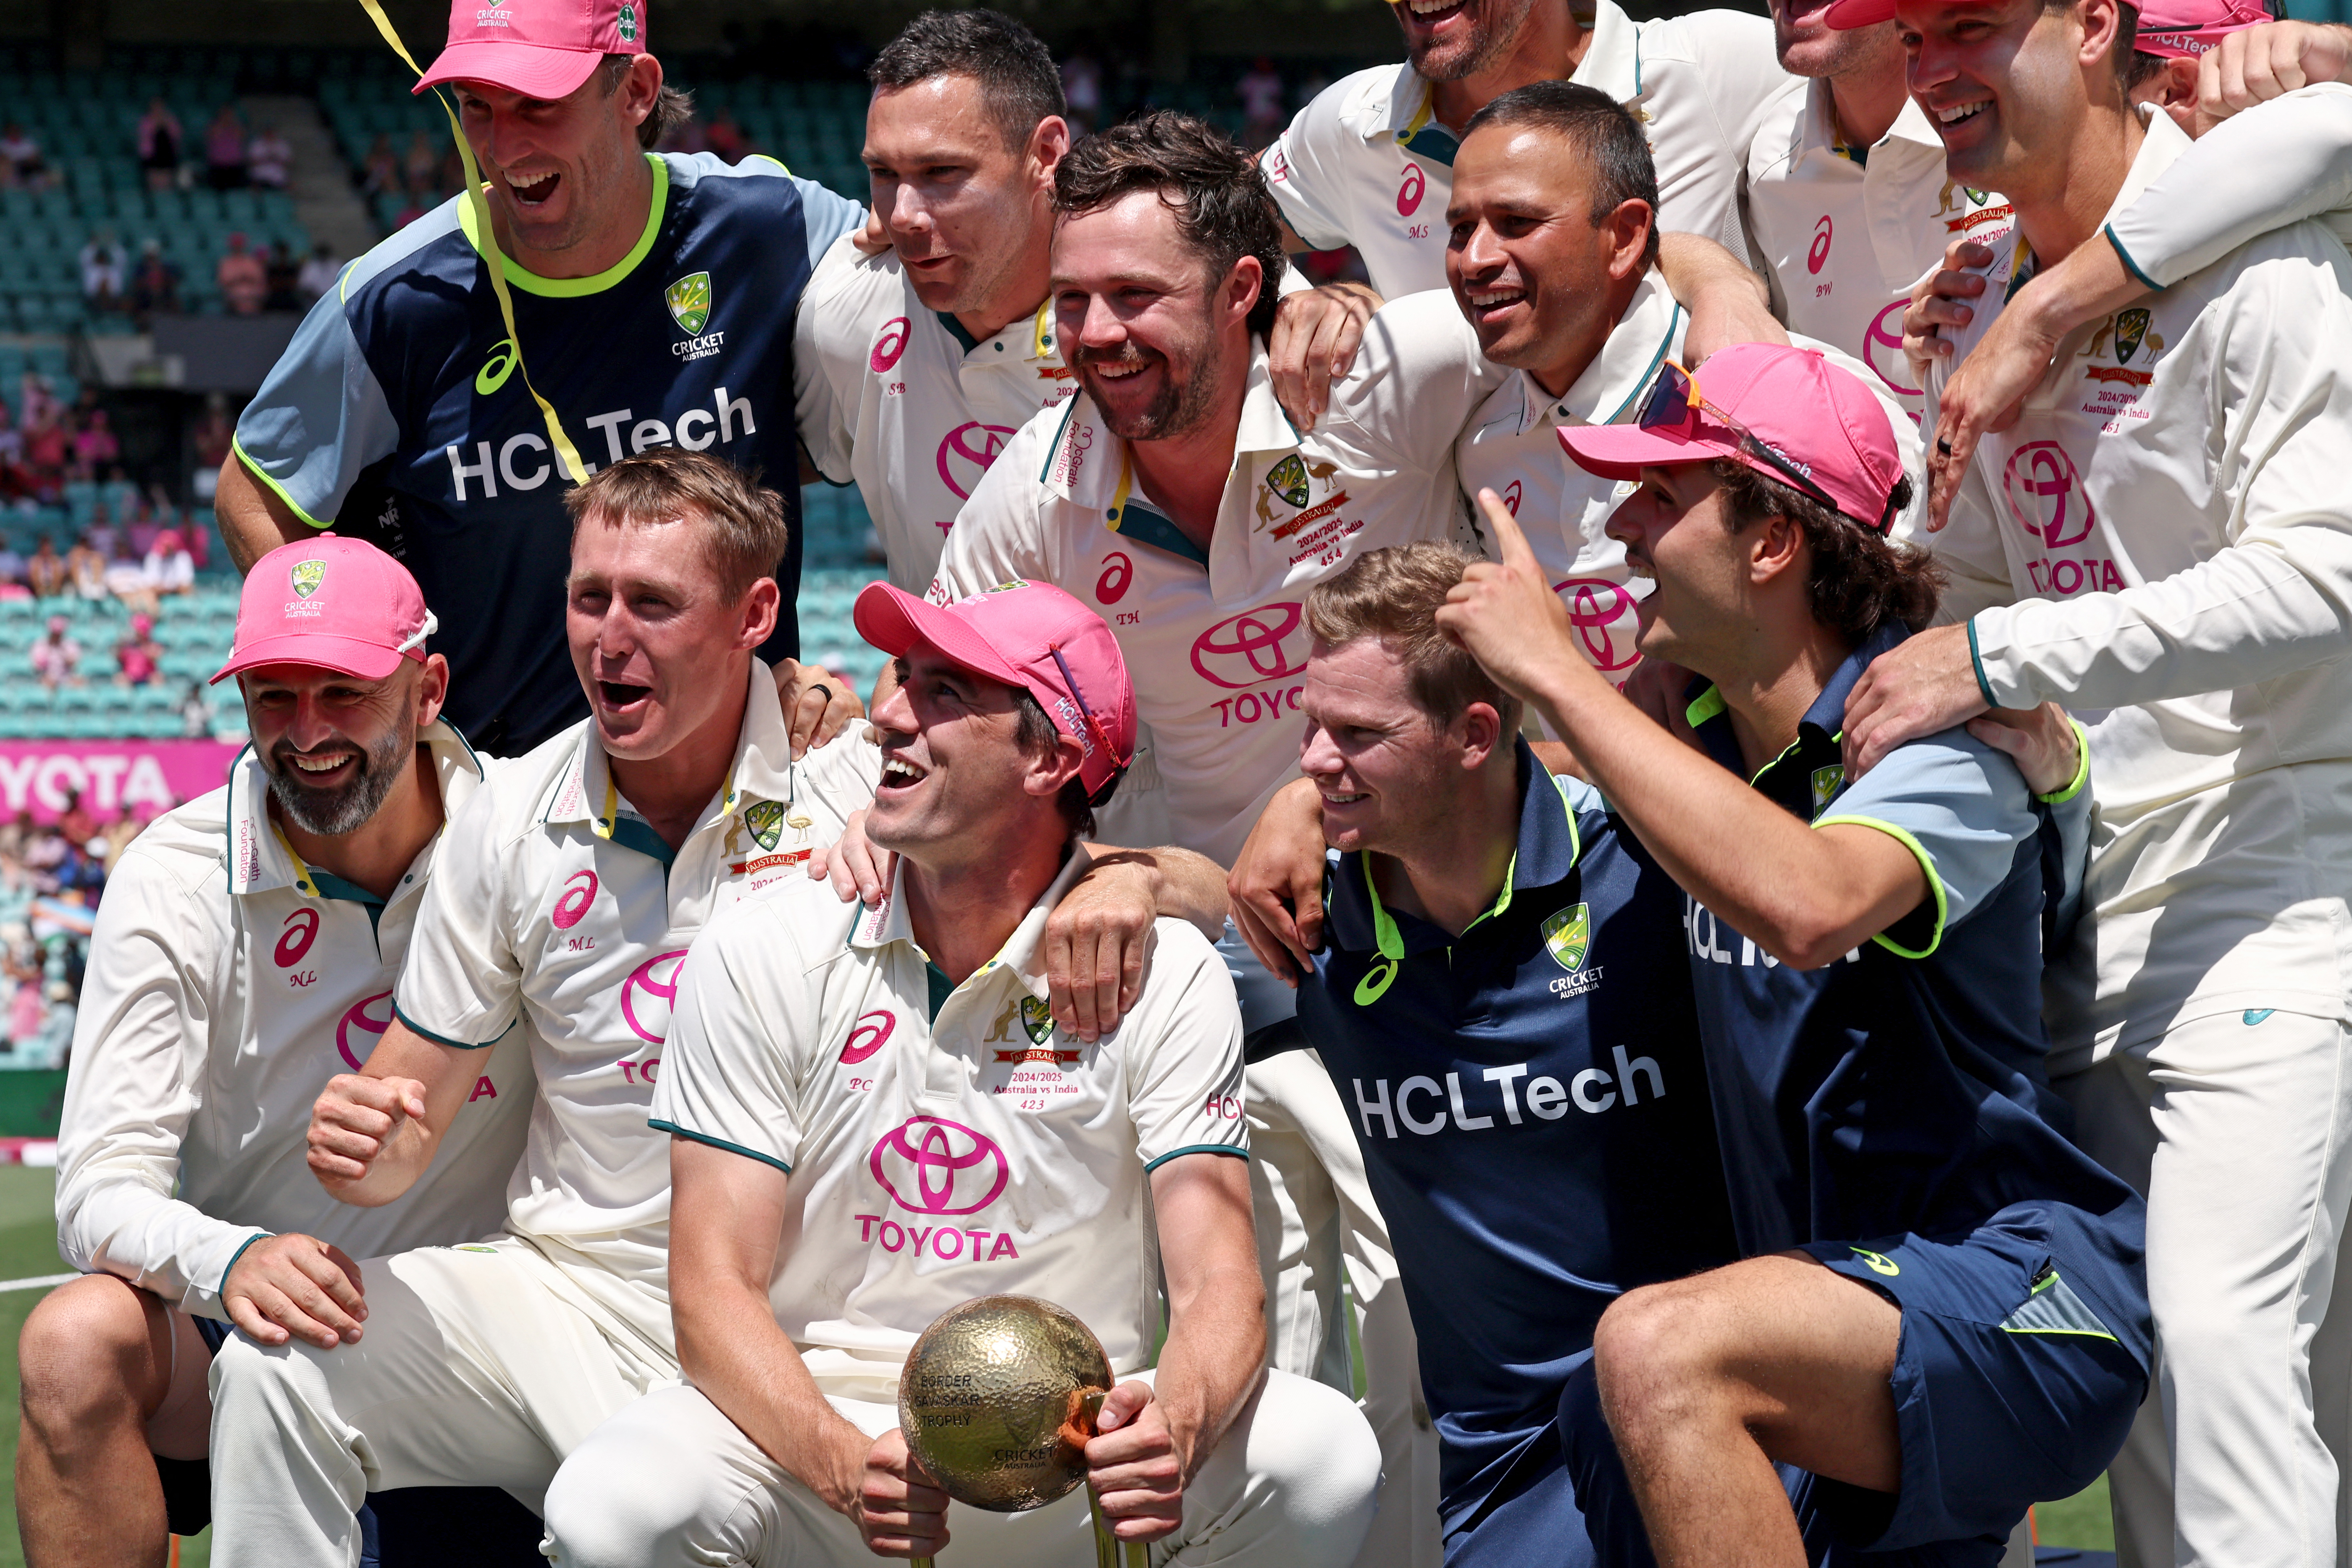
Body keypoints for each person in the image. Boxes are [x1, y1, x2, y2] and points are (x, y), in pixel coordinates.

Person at [1431, 341, 2148, 1563]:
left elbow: (1810, 902)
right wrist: (1286, 815)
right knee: (1607, 1410)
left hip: (2022, 1295)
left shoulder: (1946, 749)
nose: (1622, 529)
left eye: (1660, 496)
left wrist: (1553, 669)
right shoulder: (1695, 747)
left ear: (1772, 543)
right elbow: (1476, 803)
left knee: (1656, 1351)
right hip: (1836, 1312)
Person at [928, 110, 1511, 1568]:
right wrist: (1108, 874)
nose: (1093, 335)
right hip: (1191, 967)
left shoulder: (1369, 379)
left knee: (1430, 1342)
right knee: (1254, 1362)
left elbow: (1608, 289)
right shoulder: (1032, 493)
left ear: (1246, 289)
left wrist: (1316, 792)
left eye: (1136, 296)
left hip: (1437, 944)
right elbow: (954, 736)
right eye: (1071, 300)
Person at [539, 578, 1380, 1566]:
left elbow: (1220, 1286)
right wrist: (844, 1467)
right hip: (821, 1437)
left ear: (1049, 759)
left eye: (944, 693)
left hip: (1080, 1441)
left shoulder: (1167, 971)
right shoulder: (763, 943)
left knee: (1321, 1456)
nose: (891, 715)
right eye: (902, 680)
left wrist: (1172, 1434)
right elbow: (710, 1288)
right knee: (610, 1507)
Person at [1827, 0, 2352, 1560]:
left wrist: (1997, 657)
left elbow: (2327, 577)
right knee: (2180, 1387)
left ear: (2101, 22)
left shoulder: (2271, 255)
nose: (1934, 68)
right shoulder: (1978, 282)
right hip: (2082, 916)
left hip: (2277, 893)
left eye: (1974, 25)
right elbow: (1980, 586)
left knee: (2215, 1338)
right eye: (1912, 35)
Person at [205, 450, 891, 1565]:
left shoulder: (866, 790)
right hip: (573, 1301)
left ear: (755, 615)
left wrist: (1115, 888)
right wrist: (366, 1142)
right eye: (588, 597)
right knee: (277, 1364)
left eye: (652, 602)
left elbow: (1095, 874)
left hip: (807, 1326)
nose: (608, 636)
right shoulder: (510, 810)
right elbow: (406, 1114)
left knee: (638, 1524)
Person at [20, 537, 538, 1565]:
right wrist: (235, 1259)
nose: (306, 733)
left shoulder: (535, 831)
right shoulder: (173, 873)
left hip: (496, 1320)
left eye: (343, 692)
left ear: (428, 690)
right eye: (273, 697)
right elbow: (96, 1187)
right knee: (74, 1343)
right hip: (257, 1321)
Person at [1238, 542, 1739, 1565]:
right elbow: (1163, 913)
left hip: (1722, 1414)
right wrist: (1130, 882)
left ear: (1473, 734)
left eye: (1356, 733)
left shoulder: (1650, 871)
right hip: (1507, 1467)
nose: (1313, 762)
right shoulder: (1303, 924)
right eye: (1310, 726)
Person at [220, 0, 864, 757]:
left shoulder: (775, 228)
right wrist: (360, 671)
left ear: (636, 91)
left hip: (728, 778)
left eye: (537, 104)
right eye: (476, 106)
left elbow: (920, 347)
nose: (502, 145)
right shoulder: (395, 301)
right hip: (491, 787)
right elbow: (253, 494)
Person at [1443, 81, 1920, 691]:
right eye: (1460, 229)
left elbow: (1920, 625)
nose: (1475, 259)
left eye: (1517, 222)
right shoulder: (1473, 440)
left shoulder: (1803, 394)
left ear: (1625, 236)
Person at [1257, 0, 1798, 305]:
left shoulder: (1708, 65)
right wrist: (1301, 310)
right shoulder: (1355, 121)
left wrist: (1712, 274)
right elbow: (1214, 217)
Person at [217, 232, 266, 315]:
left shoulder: (252, 262)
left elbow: (258, 279)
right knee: (239, 295)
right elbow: (224, 282)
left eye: (239, 245)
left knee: (252, 294)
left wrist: (244, 278)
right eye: (236, 245)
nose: (238, 248)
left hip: (252, 294)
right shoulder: (226, 263)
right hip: (234, 294)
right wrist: (240, 278)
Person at [137, 98, 181, 191]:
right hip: (151, 156)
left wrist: (165, 124)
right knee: (153, 182)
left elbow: (177, 135)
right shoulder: (146, 121)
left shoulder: (170, 120)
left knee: (166, 183)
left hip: (167, 155)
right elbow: (145, 136)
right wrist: (156, 124)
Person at [79, 231, 126, 311]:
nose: (102, 260)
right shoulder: (92, 271)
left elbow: (121, 260)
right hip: (94, 301)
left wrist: (112, 244)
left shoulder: (113, 271)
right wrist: (94, 244)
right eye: (101, 258)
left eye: (104, 258)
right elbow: (85, 258)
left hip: (113, 301)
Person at [205, 105, 247, 191]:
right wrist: (223, 124)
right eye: (225, 114)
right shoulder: (214, 127)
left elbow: (241, 137)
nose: (227, 117)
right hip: (218, 165)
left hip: (234, 165)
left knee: (236, 191)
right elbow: (212, 136)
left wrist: (232, 124)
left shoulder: (237, 127)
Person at [30, 616, 79, 689]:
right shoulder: (41, 645)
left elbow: (73, 662)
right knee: (47, 683)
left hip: (66, 677)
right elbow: (38, 666)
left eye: (59, 634)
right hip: (47, 677)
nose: (57, 637)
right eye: (55, 634)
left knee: (80, 683)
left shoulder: (69, 644)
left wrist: (63, 651)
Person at [115, 612, 161, 687]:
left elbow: (156, 657)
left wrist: (143, 648)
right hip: (130, 677)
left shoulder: (151, 645)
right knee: (121, 679)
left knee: (157, 679)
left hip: (147, 676)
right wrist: (122, 644)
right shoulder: (127, 646)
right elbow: (118, 657)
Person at [248, 121, 292, 190]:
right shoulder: (257, 144)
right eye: (268, 132)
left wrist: (276, 158)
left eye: (271, 132)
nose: (270, 134)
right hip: (260, 173)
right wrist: (265, 158)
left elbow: (289, 162)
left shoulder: (282, 145)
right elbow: (251, 162)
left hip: (278, 175)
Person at [26, 534, 64, 598]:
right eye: (45, 547)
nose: (47, 549)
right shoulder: (34, 561)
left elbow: (59, 578)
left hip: (54, 590)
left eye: (48, 547)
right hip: (39, 592)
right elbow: (33, 579)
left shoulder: (56, 561)